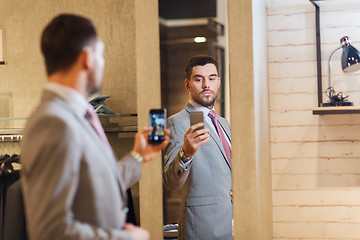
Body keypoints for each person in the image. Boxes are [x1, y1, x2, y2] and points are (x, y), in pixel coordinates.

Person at [20, 14, 169, 240]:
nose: (103, 61)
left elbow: (95, 185)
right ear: (87, 58)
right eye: (101, 53)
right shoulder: (52, 122)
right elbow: (50, 231)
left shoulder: (77, 114)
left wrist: (139, 156)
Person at [163, 55, 232, 240]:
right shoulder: (176, 123)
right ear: (187, 85)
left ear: (218, 82)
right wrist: (186, 153)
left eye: (211, 78)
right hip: (201, 228)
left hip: (231, 224)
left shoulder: (224, 124)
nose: (206, 85)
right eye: (199, 79)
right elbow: (170, 181)